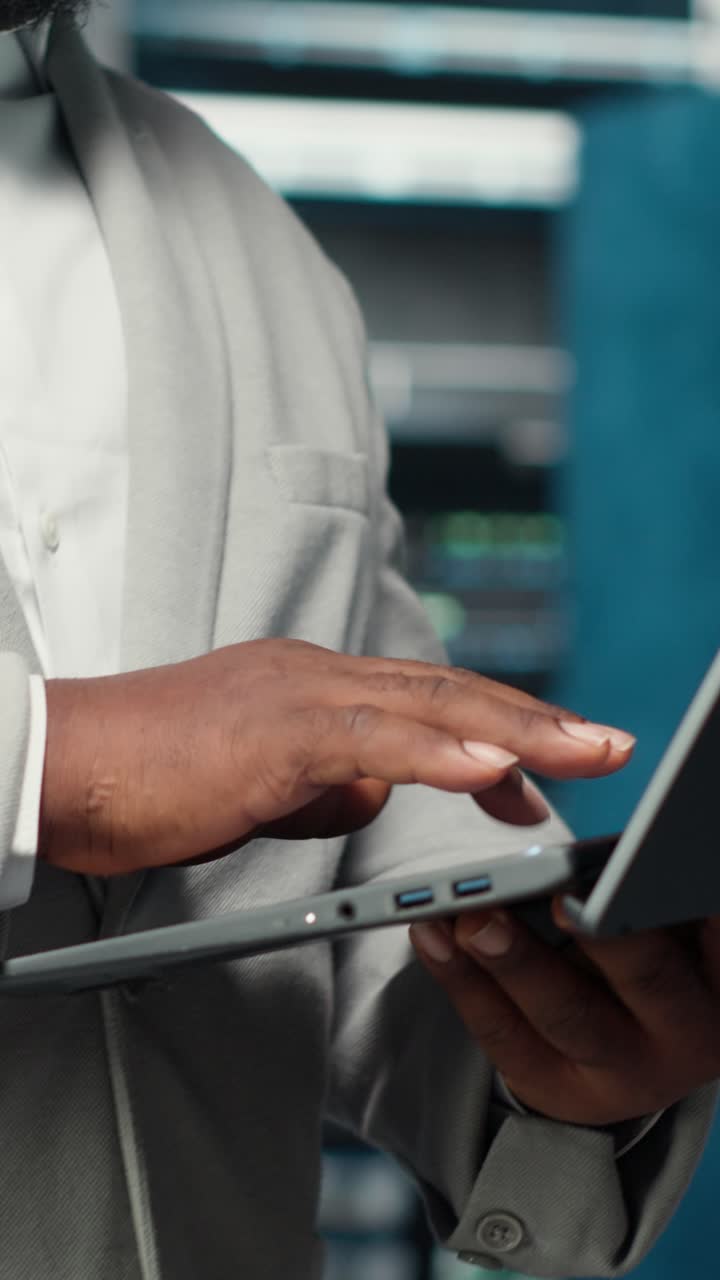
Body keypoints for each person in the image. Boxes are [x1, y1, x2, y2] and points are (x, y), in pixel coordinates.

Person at [0, 4, 718, 1277]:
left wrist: (559, 1047)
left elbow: (359, 845)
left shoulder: (243, 228)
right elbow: (117, 760)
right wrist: (50, 762)